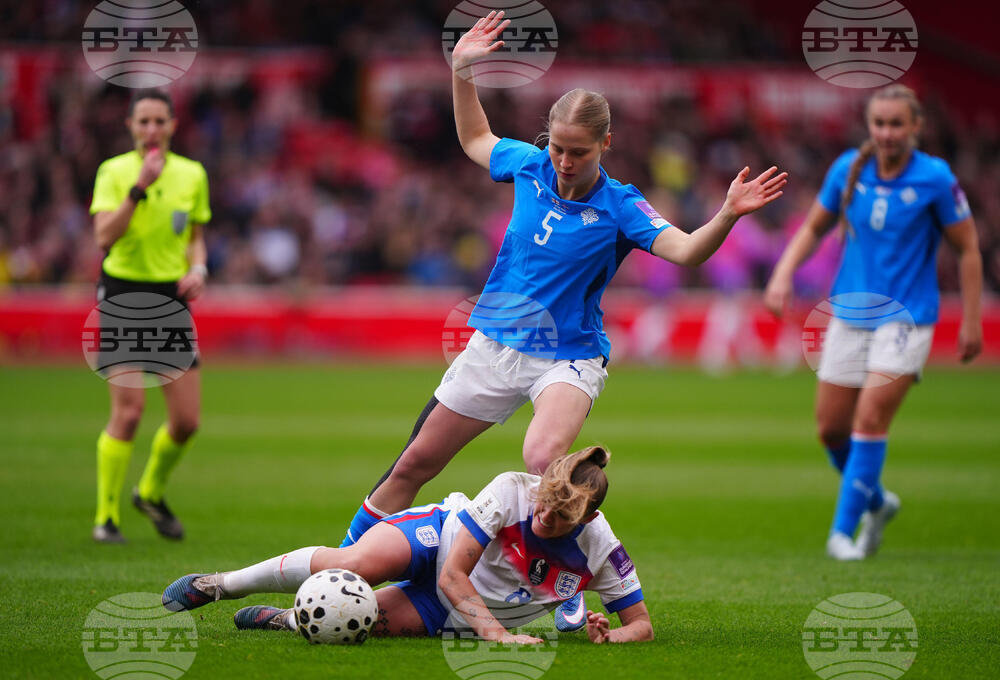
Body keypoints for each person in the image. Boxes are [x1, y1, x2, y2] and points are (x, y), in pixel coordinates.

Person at [338, 10, 786, 630]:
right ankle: (339, 570)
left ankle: (560, 576)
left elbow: (685, 251)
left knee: (544, 453)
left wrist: (728, 213)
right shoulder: (527, 165)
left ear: (606, 144)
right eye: (558, 148)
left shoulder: (622, 206)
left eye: (579, 151)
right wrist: (462, 70)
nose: (566, 161)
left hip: (569, 355)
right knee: (415, 464)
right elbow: (474, 138)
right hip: (496, 345)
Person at [764, 84, 982, 560]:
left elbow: (967, 247)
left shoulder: (935, 178)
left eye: (896, 124)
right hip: (849, 312)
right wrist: (782, 274)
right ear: (870, 126)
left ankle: (842, 535)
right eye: (879, 123)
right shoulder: (847, 168)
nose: (887, 133)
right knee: (831, 430)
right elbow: (815, 227)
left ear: (916, 126)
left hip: (908, 318)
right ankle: (878, 503)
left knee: (870, 418)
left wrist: (971, 319)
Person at [162, 446, 653, 644]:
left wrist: (610, 637)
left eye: (561, 516)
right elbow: (453, 574)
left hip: (450, 610)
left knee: (355, 623)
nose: (544, 515)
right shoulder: (512, 489)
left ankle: (286, 619)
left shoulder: (600, 549)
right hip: (439, 540)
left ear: (588, 518)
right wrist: (498, 636)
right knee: (354, 563)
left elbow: (642, 626)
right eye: (544, 502)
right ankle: (221, 584)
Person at [89, 89, 211, 543]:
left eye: (160, 121)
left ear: (173, 125)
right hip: (123, 293)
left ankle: (150, 492)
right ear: (130, 126)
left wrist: (198, 268)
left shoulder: (192, 174)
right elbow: (104, 236)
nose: (152, 129)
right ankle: (106, 518)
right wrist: (139, 187)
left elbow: (194, 235)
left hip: (170, 297)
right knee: (129, 413)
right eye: (143, 121)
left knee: (187, 421)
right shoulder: (114, 171)